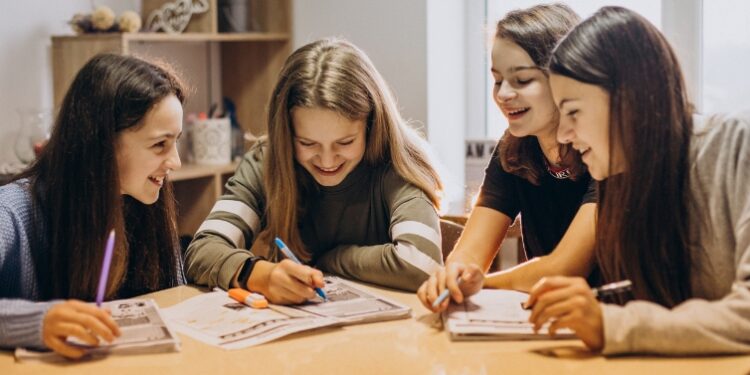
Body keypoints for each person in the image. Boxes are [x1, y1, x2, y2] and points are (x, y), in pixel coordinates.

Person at [527, 6, 750, 355]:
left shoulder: (738, 145)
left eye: (573, 111)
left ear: (629, 98)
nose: (565, 134)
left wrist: (611, 324)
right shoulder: (626, 177)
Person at [185, 38, 444, 303]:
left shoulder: (396, 163)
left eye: (345, 142)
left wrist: (332, 259)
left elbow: (421, 263)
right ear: (286, 133)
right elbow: (202, 251)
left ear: (371, 125)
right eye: (307, 143)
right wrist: (261, 274)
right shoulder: (267, 162)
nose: (327, 160)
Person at [0, 53, 186, 359]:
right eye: (159, 145)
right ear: (101, 144)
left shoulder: (144, 203)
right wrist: (37, 322)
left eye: (176, 141)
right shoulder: (12, 211)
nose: (175, 162)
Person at [418, 3, 597, 312]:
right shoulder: (515, 146)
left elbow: (565, 268)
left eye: (522, 80)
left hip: (613, 323)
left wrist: (481, 284)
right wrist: (453, 276)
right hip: (550, 318)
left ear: (566, 78)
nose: (502, 95)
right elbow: (469, 255)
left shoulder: (605, 150)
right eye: (497, 79)